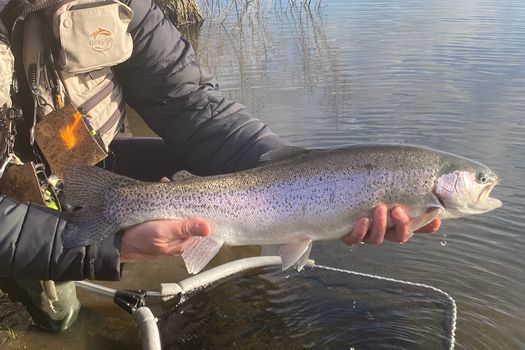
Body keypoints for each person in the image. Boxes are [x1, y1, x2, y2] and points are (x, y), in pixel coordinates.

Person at [0, 0, 441, 333]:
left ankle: (74, 235)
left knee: (58, 313)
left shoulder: (123, 4)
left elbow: (194, 108)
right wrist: (110, 247)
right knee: (55, 309)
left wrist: (306, 177)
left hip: (64, 169)